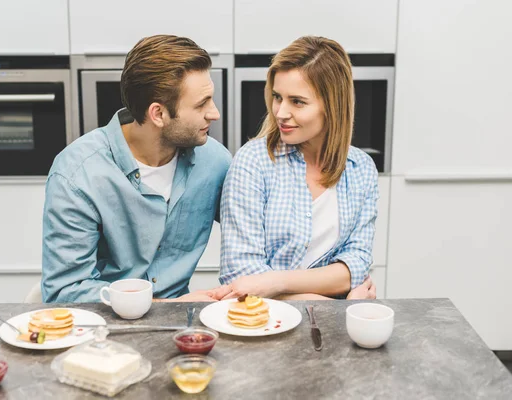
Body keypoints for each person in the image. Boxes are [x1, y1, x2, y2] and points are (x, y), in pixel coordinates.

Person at [41, 35, 232, 303]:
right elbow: (65, 292)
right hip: (103, 331)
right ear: (158, 114)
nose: (214, 113)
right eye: (201, 104)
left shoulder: (215, 162)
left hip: (179, 328)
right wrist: (167, 307)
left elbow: (258, 235)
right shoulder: (77, 174)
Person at [218, 36, 378, 301]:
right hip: (264, 327)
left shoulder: (360, 168)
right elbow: (241, 276)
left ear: (332, 106)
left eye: (297, 101)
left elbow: (356, 265)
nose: (280, 112)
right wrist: (335, 303)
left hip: (333, 329)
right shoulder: (253, 162)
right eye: (277, 97)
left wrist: (275, 282)